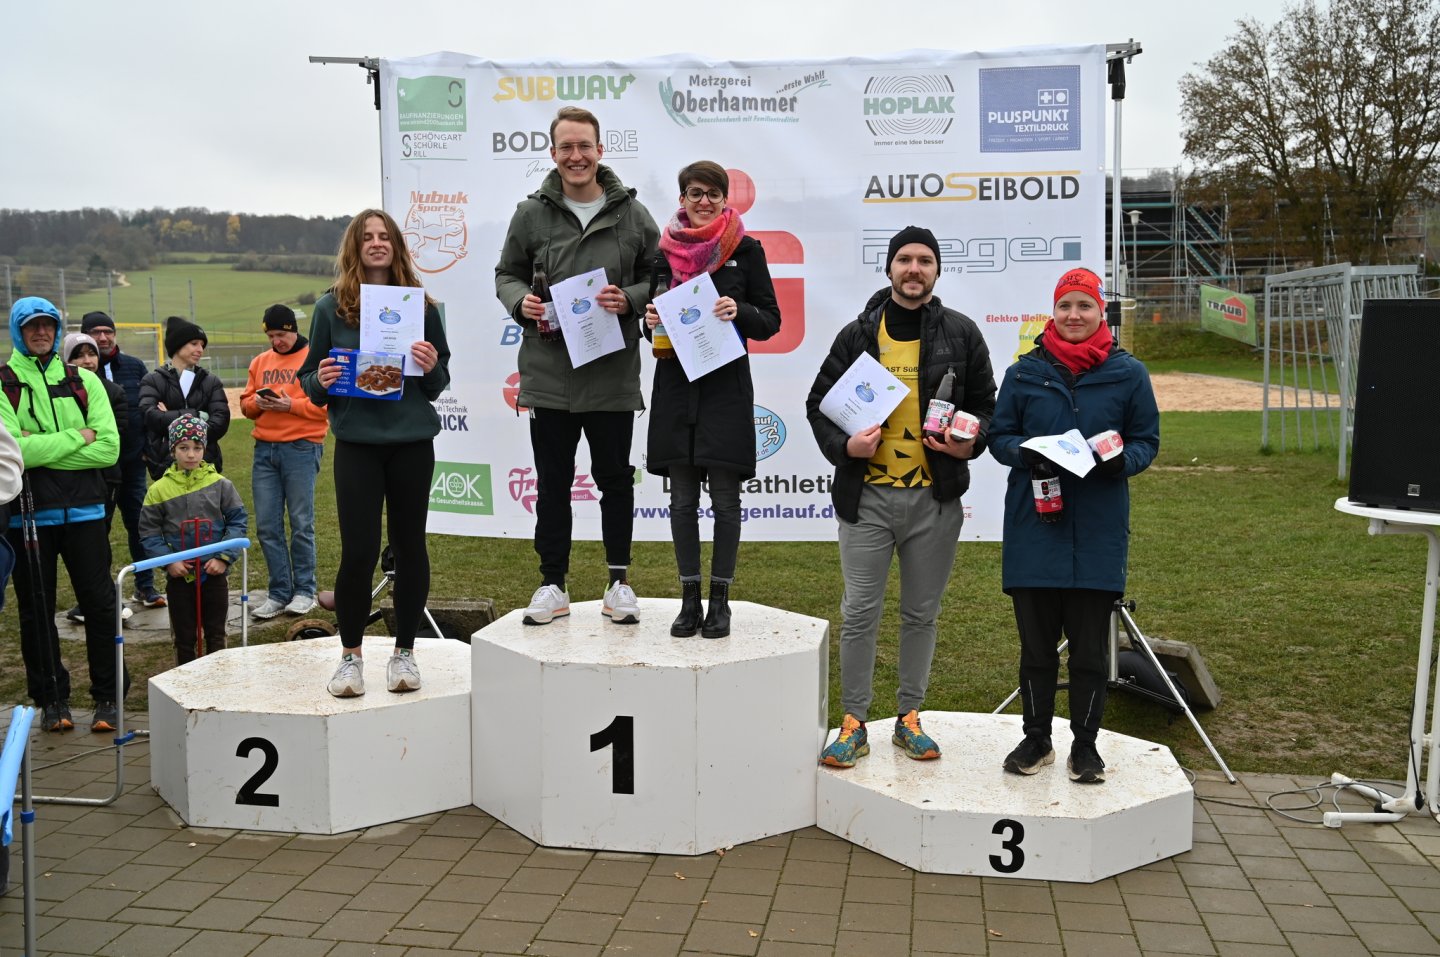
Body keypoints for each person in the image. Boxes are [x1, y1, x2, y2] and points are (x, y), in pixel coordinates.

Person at [806, 227, 996, 769]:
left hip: (934, 501)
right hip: (866, 499)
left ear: (937, 270)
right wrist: (846, 446)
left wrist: (969, 442)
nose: (914, 269)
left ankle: (909, 717)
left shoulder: (961, 332)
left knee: (920, 614)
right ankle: (854, 723)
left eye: (925, 260)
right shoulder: (858, 334)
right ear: (889, 268)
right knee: (859, 613)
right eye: (905, 259)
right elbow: (818, 404)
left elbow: (986, 405)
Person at [988, 267, 1160, 784]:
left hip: (1098, 531)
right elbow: (999, 436)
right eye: (1065, 305)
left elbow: (1146, 441)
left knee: (1089, 654)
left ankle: (1085, 747)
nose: (1074, 315)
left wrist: (1121, 461)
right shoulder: (1024, 373)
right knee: (1036, 650)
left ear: (1100, 312)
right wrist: (1028, 453)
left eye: (1084, 305)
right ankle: (1036, 739)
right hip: (1035, 528)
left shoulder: (1129, 373)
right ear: (1053, 311)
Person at [494, 105, 659, 627]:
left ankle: (619, 583)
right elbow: (506, 274)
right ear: (553, 153)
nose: (576, 155)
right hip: (550, 375)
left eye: (584, 145)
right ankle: (552, 584)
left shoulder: (633, 215)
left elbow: (661, 276)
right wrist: (520, 302)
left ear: (600, 150)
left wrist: (630, 298)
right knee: (552, 484)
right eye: (566, 146)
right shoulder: (530, 214)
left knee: (615, 480)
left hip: (611, 373)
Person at [299, 208, 450, 698]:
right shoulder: (331, 308)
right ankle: (350, 658)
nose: (377, 243)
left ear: (397, 245)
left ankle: (405, 653)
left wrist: (430, 365)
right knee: (359, 551)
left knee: (409, 547)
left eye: (385, 236)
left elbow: (437, 383)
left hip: (411, 444)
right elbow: (310, 381)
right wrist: (321, 379)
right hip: (358, 445)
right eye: (368, 237)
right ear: (356, 247)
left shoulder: (423, 308)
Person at [642, 161, 781, 639]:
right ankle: (688, 600)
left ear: (725, 199)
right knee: (681, 501)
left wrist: (739, 310)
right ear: (682, 198)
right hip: (676, 389)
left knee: (725, 501)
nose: (704, 201)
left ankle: (720, 601)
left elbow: (771, 320)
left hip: (725, 391)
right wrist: (648, 321)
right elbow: (652, 321)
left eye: (713, 194)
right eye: (695, 193)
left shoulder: (746, 249)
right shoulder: (664, 251)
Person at [2, 297, 127, 734]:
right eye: (32, 326)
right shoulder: (4, 383)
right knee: (36, 611)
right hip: (27, 517)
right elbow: (12, 453)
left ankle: (109, 697)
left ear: (57, 330)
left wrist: (39, 447)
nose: (41, 333)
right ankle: (52, 699)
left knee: (100, 605)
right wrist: (79, 437)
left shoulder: (84, 381)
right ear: (19, 331)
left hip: (87, 512)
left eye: (48, 326)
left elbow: (108, 449)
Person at [240, 304, 329, 619]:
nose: (276, 341)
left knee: (301, 523)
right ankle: (279, 593)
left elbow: (325, 408)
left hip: (302, 448)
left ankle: (304, 591)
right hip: (264, 449)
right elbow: (245, 405)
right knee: (267, 525)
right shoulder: (260, 361)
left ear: (293, 330)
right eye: (271, 336)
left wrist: (290, 406)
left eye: (281, 334)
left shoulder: (315, 359)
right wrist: (257, 402)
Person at [140, 414, 248, 664]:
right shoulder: (158, 490)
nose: (191, 454)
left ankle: (218, 677)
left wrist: (223, 558)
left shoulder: (221, 485)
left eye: (197, 448)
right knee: (184, 637)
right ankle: (184, 680)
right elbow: (149, 532)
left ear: (205, 449)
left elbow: (237, 522)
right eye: (183, 448)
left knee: (216, 633)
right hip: (180, 575)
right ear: (173, 450)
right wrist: (169, 561)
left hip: (214, 572)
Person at [83, 311, 164, 608]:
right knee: (96, 530)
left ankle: (145, 587)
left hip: (131, 463)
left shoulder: (134, 366)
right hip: (95, 468)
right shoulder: (75, 372)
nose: (103, 337)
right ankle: (99, 594)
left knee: (140, 525)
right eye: (95, 332)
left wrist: (147, 449)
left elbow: (147, 410)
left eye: (108, 331)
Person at [59, 332, 127, 624]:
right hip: (66, 484)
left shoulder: (113, 392)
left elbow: (113, 440)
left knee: (98, 541)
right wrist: (81, 437)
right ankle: (90, 602)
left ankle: (106, 601)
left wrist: (56, 447)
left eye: (91, 354)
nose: (87, 361)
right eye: (79, 356)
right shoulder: (57, 392)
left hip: (105, 480)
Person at [138, 316, 230, 480]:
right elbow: (150, 416)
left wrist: (169, 416)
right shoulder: (152, 380)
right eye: (194, 344)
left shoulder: (211, 382)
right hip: (165, 465)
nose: (200, 350)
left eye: (202, 345)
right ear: (177, 345)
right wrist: (198, 415)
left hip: (206, 464)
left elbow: (220, 422)